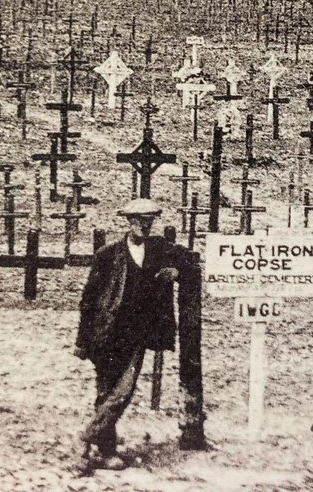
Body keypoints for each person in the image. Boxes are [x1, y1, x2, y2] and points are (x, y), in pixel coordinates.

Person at [70, 198, 183, 474]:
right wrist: (82, 341)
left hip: (137, 336)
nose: (144, 226)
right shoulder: (108, 256)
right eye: (138, 221)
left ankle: (89, 443)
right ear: (128, 222)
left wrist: (176, 271)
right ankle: (99, 448)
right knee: (108, 393)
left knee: (122, 391)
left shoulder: (158, 250)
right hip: (107, 334)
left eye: (149, 221)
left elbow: (190, 260)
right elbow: (89, 300)